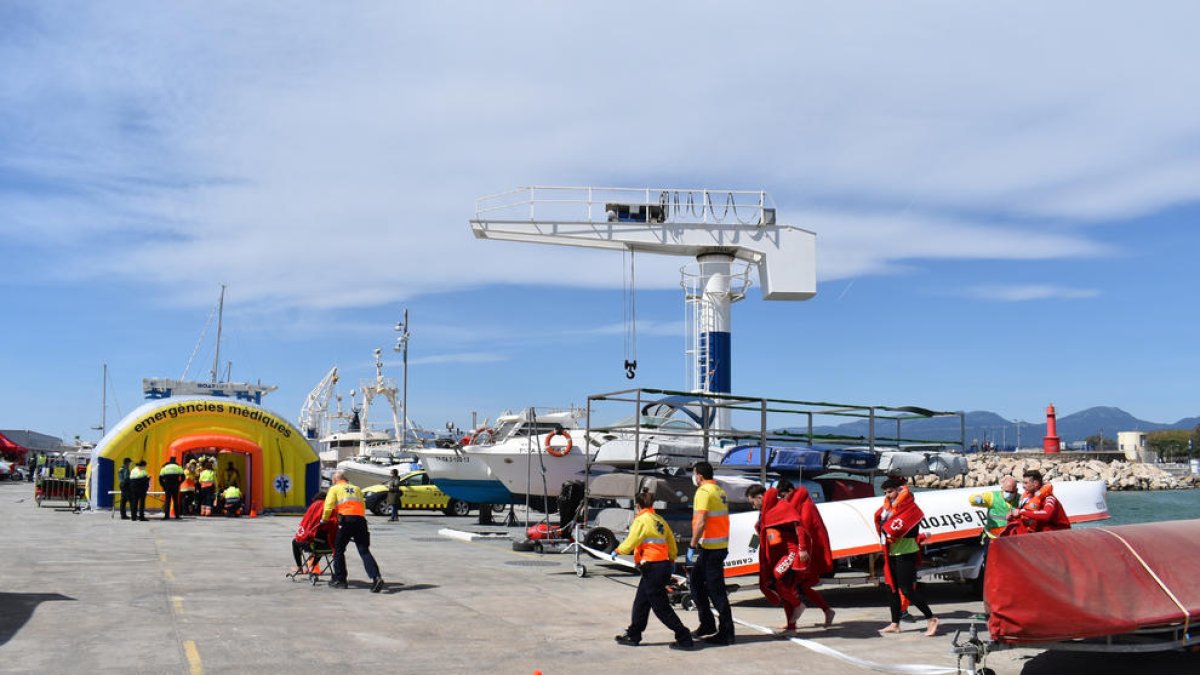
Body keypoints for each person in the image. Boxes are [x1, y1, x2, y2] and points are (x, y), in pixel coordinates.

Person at [612, 490, 695, 650]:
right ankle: (633, 634)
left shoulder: (641, 520)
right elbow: (670, 541)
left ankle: (684, 636)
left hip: (652, 567)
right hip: (660, 566)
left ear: (637, 506)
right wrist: (671, 558)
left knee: (661, 607)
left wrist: (618, 550)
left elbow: (632, 540)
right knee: (641, 603)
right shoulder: (659, 520)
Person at [876, 478, 938, 636]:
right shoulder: (887, 510)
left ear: (898, 489)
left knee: (907, 590)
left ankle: (931, 618)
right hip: (891, 552)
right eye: (885, 493)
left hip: (906, 552)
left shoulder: (911, 508)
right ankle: (895, 623)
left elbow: (912, 532)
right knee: (892, 589)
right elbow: (883, 526)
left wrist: (893, 534)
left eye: (890, 491)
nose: (888, 495)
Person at [746, 482, 807, 632]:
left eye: (753, 502)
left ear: (759, 497)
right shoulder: (764, 512)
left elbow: (798, 526)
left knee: (777, 580)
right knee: (782, 586)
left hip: (790, 551)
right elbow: (760, 530)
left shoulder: (781, 506)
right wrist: (751, 548)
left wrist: (802, 549)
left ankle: (799, 605)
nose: (753, 506)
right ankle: (791, 626)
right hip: (776, 555)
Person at [688, 461, 734, 646]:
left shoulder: (703, 492)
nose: (694, 477)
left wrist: (692, 545)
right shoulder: (719, 490)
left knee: (716, 592)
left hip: (712, 549)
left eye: (694, 474)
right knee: (696, 584)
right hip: (715, 546)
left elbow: (701, 521)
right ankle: (707, 624)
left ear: (699, 476)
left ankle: (726, 633)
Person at [323, 471, 385, 592]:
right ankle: (376, 577)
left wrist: (324, 519)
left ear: (335, 480)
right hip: (360, 520)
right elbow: (362, 506)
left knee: (339, 550)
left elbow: (329, 506)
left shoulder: (335, 488)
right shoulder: (356, 488)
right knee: (364, 551)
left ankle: (340, 580)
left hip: (346, 520)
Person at [787, 483, 836, 628]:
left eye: (783, 495)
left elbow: (803, 529)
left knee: (795, 585)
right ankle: (826, 611)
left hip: (809, 553)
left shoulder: (805, 505)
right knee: (802, 586)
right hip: (808, 552)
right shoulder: (800, 503)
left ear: (790, 491)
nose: (783, 498)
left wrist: (801, 549)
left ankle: (792, 623)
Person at [1005, 470, 1071, 535]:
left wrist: (1021, 511)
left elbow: (1046, 515)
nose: (1023, 486)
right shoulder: (1027, 497)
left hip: (1060, 533)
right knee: (1016, 525)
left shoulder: (1049, 498)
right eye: (1023, 483)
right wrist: (1012, 516)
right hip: (1040, 534)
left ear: (1036, 483)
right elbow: (1024, 514)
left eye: (1026, 483)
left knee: (1045, 528)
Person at [292, 490, 337, 574]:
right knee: (320, 540)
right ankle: (313, 566)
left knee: (295, 542)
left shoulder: (315, 505)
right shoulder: (332, 507)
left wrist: (302, 537)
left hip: (315, 545)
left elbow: (307, 525)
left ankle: (299, 567)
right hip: (330, 546)